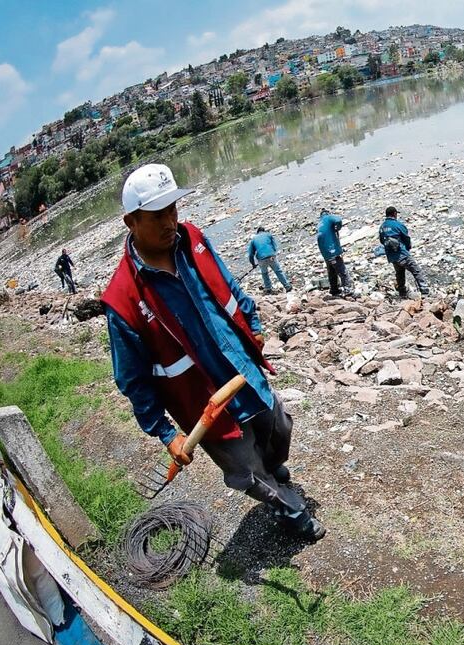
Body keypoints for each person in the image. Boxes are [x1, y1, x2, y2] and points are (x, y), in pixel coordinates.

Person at [101, 164, 324, 541]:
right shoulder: (123, 300)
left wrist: (253, 324)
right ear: (131, 222)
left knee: (279, 427)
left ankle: (274, 466)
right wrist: (165, 433)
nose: (170, 221)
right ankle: (290, 511)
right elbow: (132, 380)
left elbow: (229, 283)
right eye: (158, 216)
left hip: (242, 369)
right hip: (203, 402)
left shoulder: (192, 239)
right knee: (245, 469)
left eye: (173, 209)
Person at [378, 206, 429, 299]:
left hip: (391, 256)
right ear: (394, 214)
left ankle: (402, 293)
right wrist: (408, 248)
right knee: (416, 270)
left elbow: (382, 240)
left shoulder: (382, 226)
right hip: (401, 253)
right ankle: (425, 291)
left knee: (400, 273)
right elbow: (406, 238)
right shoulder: (398, 225)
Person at [317, 208, 353, 297]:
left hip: (325, 253)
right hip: (332, 250)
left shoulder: (320, 223)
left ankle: (334, 289)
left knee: (331, 271)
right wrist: (338, 227)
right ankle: (348, 289)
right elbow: (338, 219)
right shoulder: (328, 218)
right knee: (342, 270)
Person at [247, 227, 291, 294]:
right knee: (278, 271)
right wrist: (273, 254)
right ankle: (287, 286)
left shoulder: (253, 239)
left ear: (257, 232)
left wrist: (253, 264)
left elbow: (250, 254)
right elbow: (274, 246)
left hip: (261, 259)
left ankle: (268, 288)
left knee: (264, 273)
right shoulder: (268, 235)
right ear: (264, 231)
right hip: (271, 256)